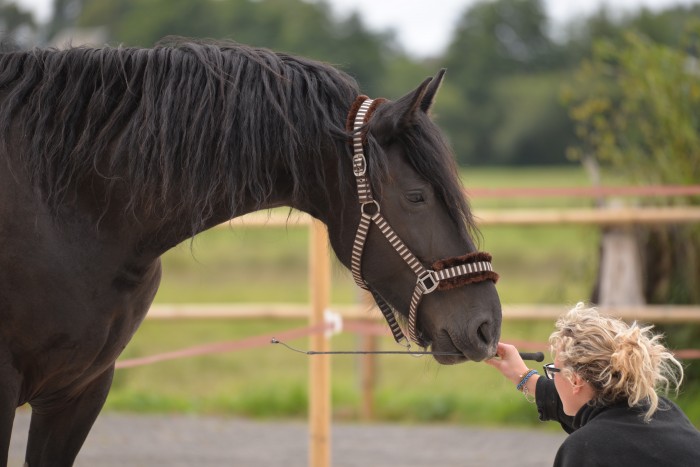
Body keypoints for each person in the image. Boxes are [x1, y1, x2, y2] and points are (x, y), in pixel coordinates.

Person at [485, 302, 700, 466]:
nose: (552, 377)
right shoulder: (665, 412)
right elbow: (596, 410)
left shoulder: (585, 451)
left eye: (553, 370)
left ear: (575, 379)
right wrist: (524, 377)